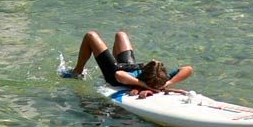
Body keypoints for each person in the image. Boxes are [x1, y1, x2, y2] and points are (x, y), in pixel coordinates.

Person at [62, 30, 193, 99]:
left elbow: (188, 69)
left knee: (102, 35)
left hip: (120, 69)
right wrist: (144, 84)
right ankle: (78, 71)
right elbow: (118, 74)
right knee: (111, 35)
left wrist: (167, 84)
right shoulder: (152, 79)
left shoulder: (158, 79)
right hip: (122, 70)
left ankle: (78, 71)